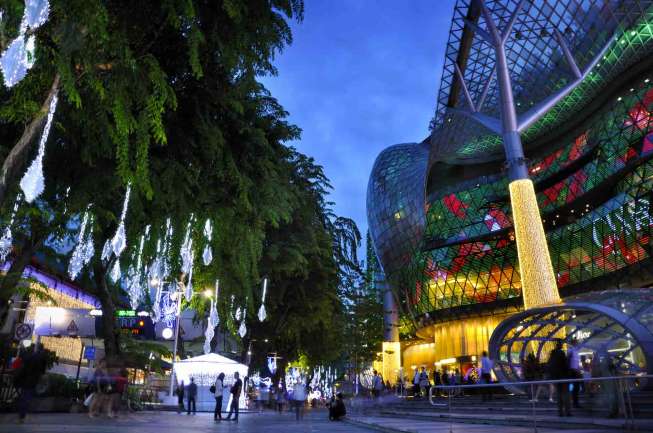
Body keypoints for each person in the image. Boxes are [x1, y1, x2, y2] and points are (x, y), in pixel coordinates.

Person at [14, 345, 47, 423]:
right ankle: (22, 416)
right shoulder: (41, 359)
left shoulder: (29, 358)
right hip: (33, 381)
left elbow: (23, 368)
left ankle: (21, 415)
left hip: (26, 380)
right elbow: (42, 371)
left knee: (23, 397)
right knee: (26, 398)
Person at [548, 340, 572, 417]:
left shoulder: (553, 354)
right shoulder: (561, 353)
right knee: (565, 395)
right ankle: (567, 412)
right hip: (563, 377)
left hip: (556, 377)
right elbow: (565, 365)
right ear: (560, 345)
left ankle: (560, 412)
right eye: (561, 344)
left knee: (559, 395)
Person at [567, 338, 582, 408]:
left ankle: (575, 402)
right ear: (573, 343)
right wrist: (572, 369)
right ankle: (573, 402)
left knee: (576, 388)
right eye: (576, 342)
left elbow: (577, 362)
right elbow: (568, 360)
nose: (577, 343)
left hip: (576, 372)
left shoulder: (576, 351)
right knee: (572, 387)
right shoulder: (570, 350)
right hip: (573, 372)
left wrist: (578, 369)